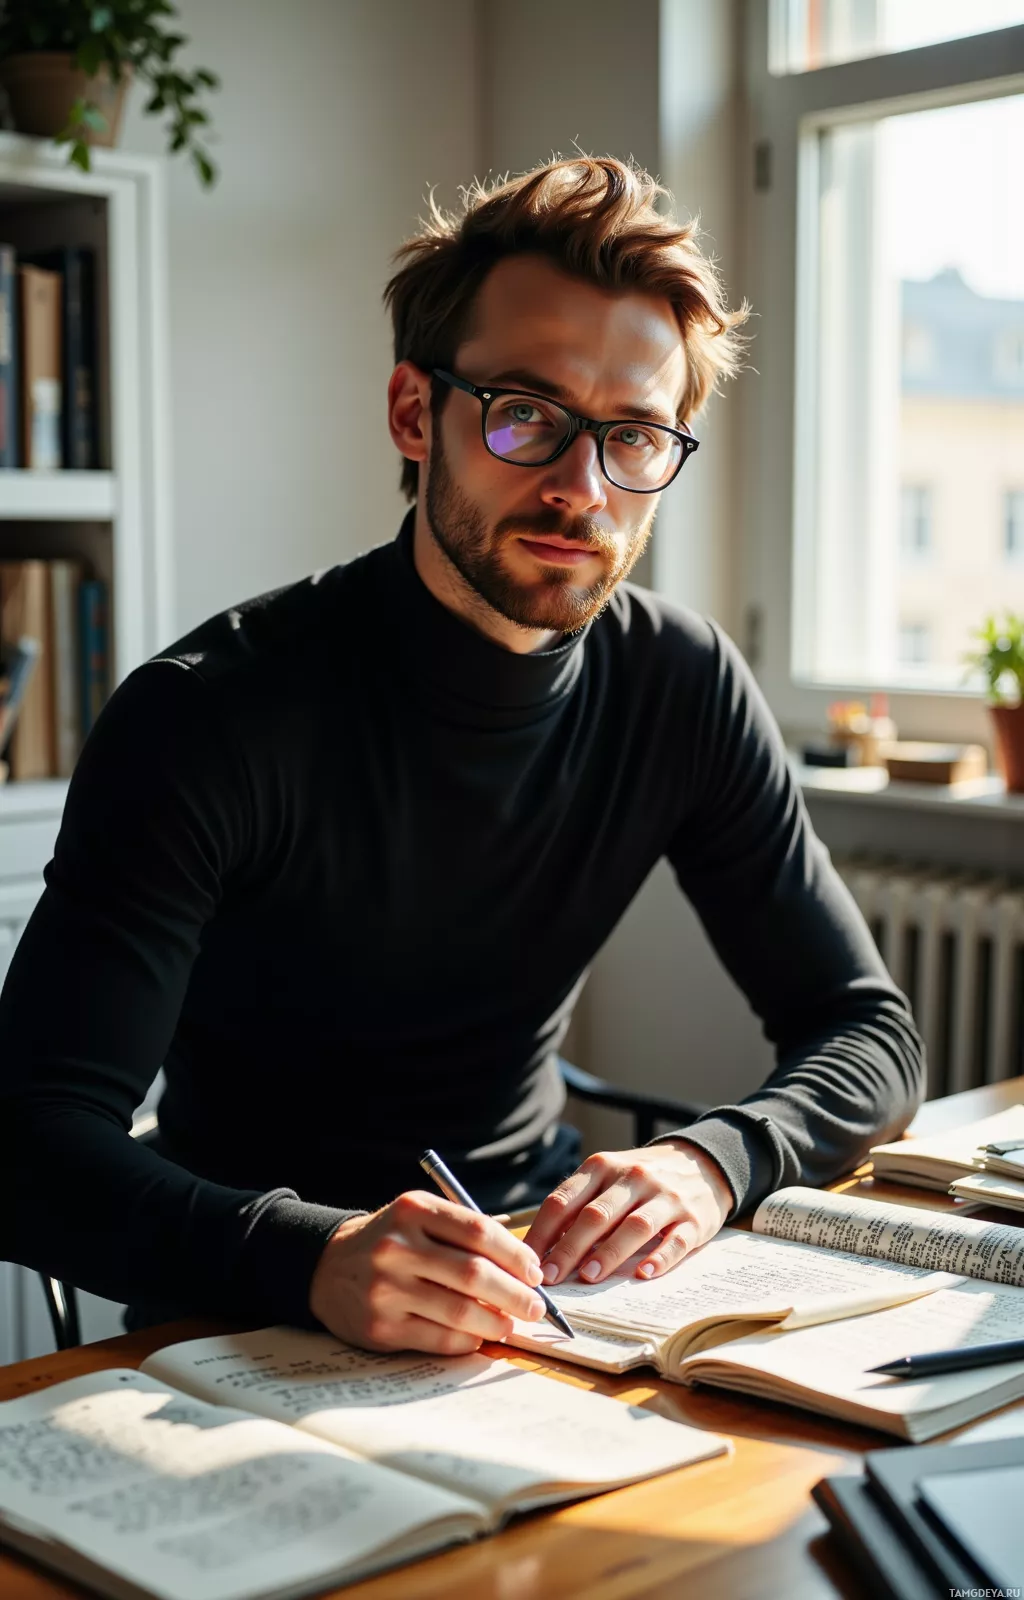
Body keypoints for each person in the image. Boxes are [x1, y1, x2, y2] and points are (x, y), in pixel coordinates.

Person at [0, 156, 924, 1357]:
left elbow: (870, 1032)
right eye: (526, 414)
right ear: (411, 411)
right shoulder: (206, 718)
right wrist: (312, 1255)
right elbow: (26, 1145)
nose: (580, 489)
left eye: (634, 435)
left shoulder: (680, 684)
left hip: (550, 1291)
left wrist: (711, 1160)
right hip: (245, 1313)